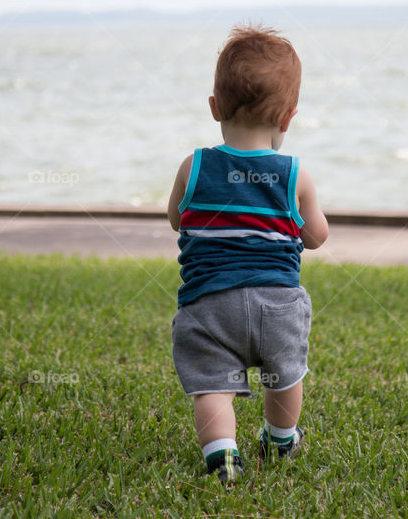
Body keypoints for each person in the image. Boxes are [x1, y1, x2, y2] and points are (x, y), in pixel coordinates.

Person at [167, 24, 329, 483]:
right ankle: (280, 438)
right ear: (288, 118)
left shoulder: (193, 166)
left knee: (213, 386)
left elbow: (178, 219)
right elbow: (317, 236)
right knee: (285, 376)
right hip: (278, 304)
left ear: (215, 106)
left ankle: (221, 454)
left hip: (208, 306)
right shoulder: (295, 173)